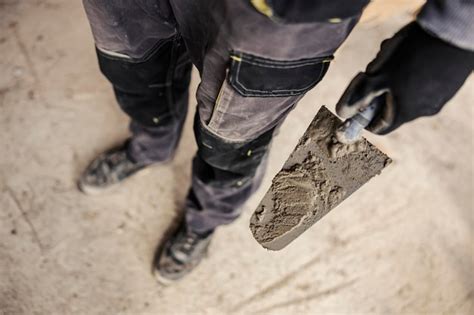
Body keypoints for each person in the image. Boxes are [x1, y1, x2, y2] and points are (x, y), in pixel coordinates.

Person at [79, 0, 473, 283]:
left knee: (233, 140)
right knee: (134, 67)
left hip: (281, 17)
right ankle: (150, 146)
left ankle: (205, 220)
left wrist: (453, 35)